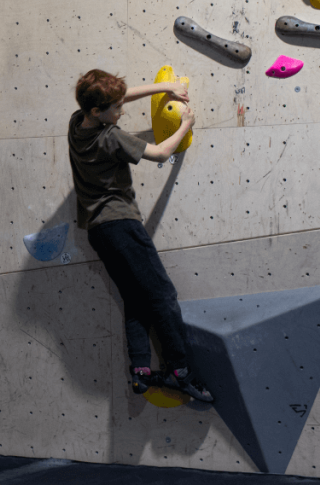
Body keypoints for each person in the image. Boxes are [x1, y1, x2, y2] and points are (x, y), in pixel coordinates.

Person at [67, 68, 213, 403]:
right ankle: (179, 371)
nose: (122, 112)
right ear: (96, 111)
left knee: (136, 299)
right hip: (121, 224)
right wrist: (186, 124)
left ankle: (141, 370)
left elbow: (118, 97)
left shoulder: (77, 124)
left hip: (96, 230)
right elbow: (161, 153)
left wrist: (165, 87)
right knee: (162, 295)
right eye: (115, 109)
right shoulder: (111, 136)